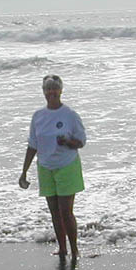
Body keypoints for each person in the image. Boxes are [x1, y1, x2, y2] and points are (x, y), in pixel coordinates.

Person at [19, 74, 87, 257]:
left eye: (54, 88)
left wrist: (68, 141)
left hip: (67, 165)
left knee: (66, 212)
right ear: (43, 92)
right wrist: (24, 172)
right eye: (48, 89)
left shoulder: (70, 115)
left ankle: (74, 250)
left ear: (61, 90)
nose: (51, 92)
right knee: (54, 212)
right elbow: (33, 145)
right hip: (45, 167)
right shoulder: (38, 116)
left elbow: (81, 142)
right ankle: (62, 248)